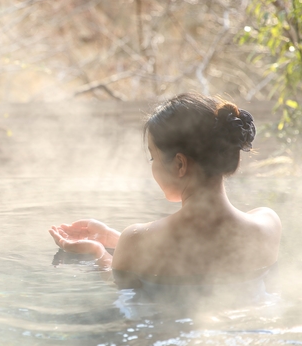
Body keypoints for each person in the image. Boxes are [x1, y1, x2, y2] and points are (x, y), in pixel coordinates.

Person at [49, 93, 281, 293]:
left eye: (153, 157)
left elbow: (120, 285)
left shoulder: (137, 240)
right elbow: (207, 259)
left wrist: (98, 252)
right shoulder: (268, 224)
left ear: (180, 164)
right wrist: (115, 240)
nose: (152, 165)